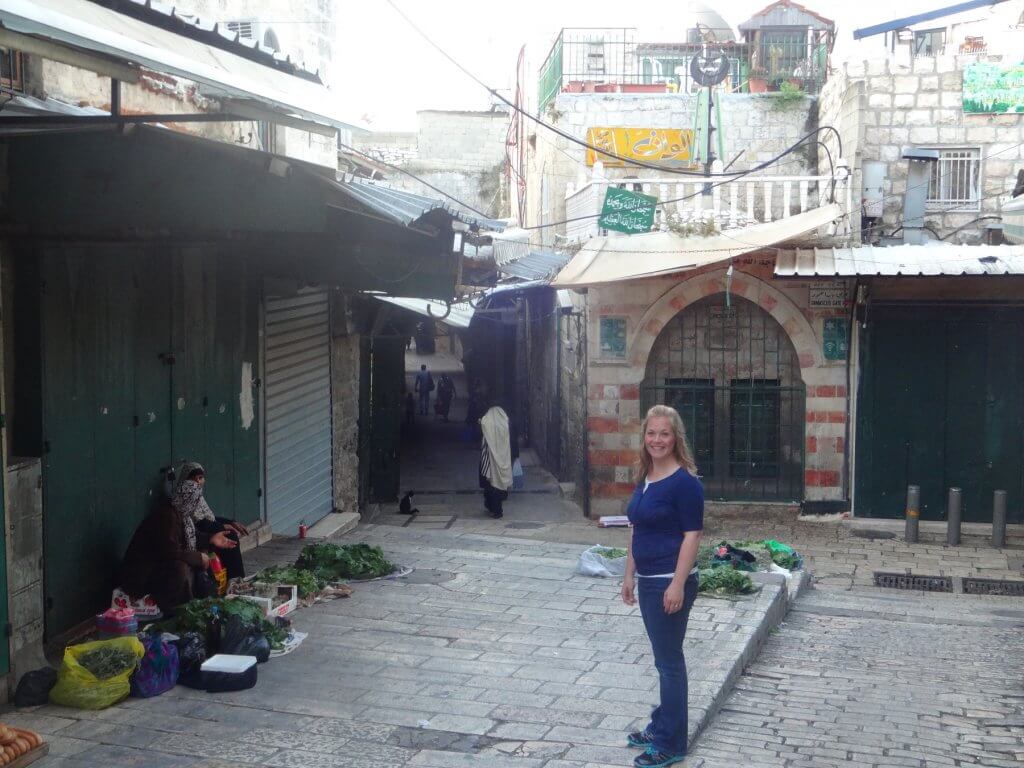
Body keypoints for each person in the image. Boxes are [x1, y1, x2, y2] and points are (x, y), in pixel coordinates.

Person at [620, 405, 703, 768]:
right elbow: (637, 527)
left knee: (670, 663)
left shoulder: (685, 483)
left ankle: (670, 743)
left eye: (664, 434)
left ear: (675, 438)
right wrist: (628, 574)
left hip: (668, 583)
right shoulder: (646, 476)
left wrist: (678, 584)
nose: (657, 440)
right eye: (651, 433)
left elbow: (692, 535)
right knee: (663, 660)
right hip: (647, 580)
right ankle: (662, 725)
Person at [119, 472, 238, 614]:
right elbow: (170, 552)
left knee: (196, 561)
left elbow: (189, 537)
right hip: (139, 576)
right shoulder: (167, 517)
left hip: (155, 567)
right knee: (181, 568)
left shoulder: (180, 513)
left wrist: (210, 539)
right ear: (187, 500)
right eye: (194, 502)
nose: (195, 506)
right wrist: (199, 558)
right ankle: (174, 611)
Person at [479, 402, 518, 519]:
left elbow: (482, 426)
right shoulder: (507, 424)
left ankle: (494, 508)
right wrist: (515, 456)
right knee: (501, 485)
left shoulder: (486, 423)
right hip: (505, 459)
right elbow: (514, 442)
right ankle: (498, 507)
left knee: (491, 485)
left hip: (490, 461)